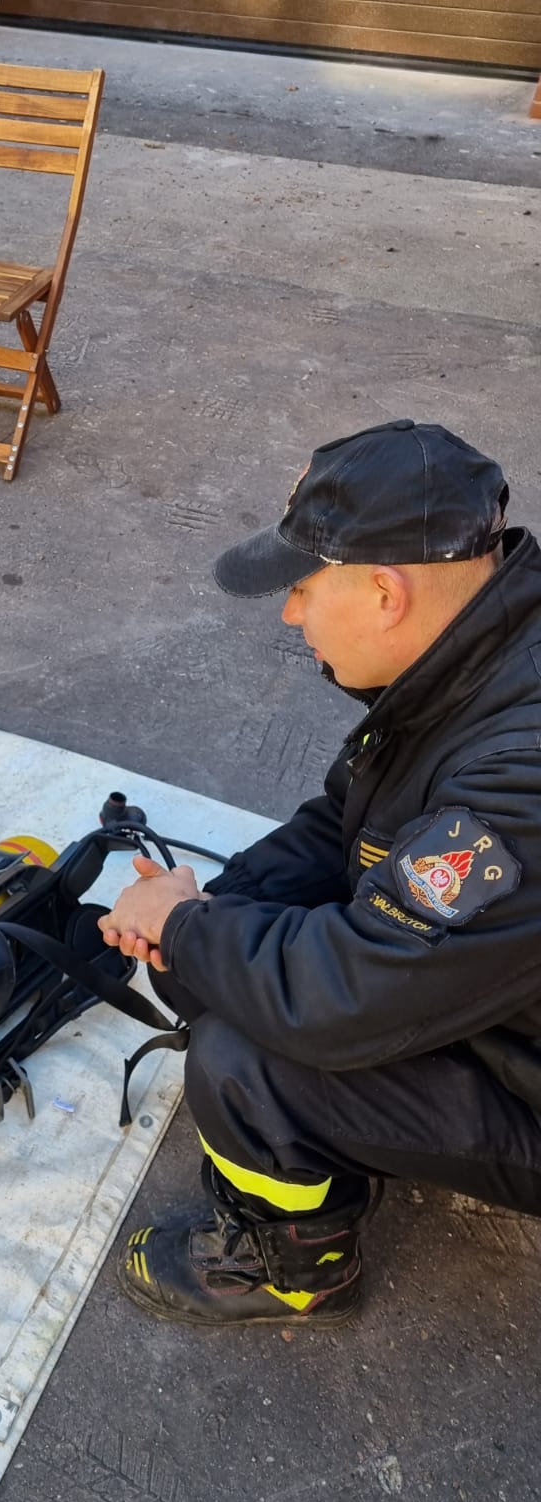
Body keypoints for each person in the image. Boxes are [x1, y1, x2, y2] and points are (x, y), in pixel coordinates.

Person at [99, 418, 541, 1327]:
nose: (290, 614)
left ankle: (298, 1268)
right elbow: (349, 822)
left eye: (302, 588)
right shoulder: (477, 651)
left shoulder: (520, 773)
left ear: (384, 592)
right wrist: (208, 908)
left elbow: (343, 995)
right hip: (499, 985)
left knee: (243, 1064)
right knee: (206, 968)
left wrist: (184, 925)